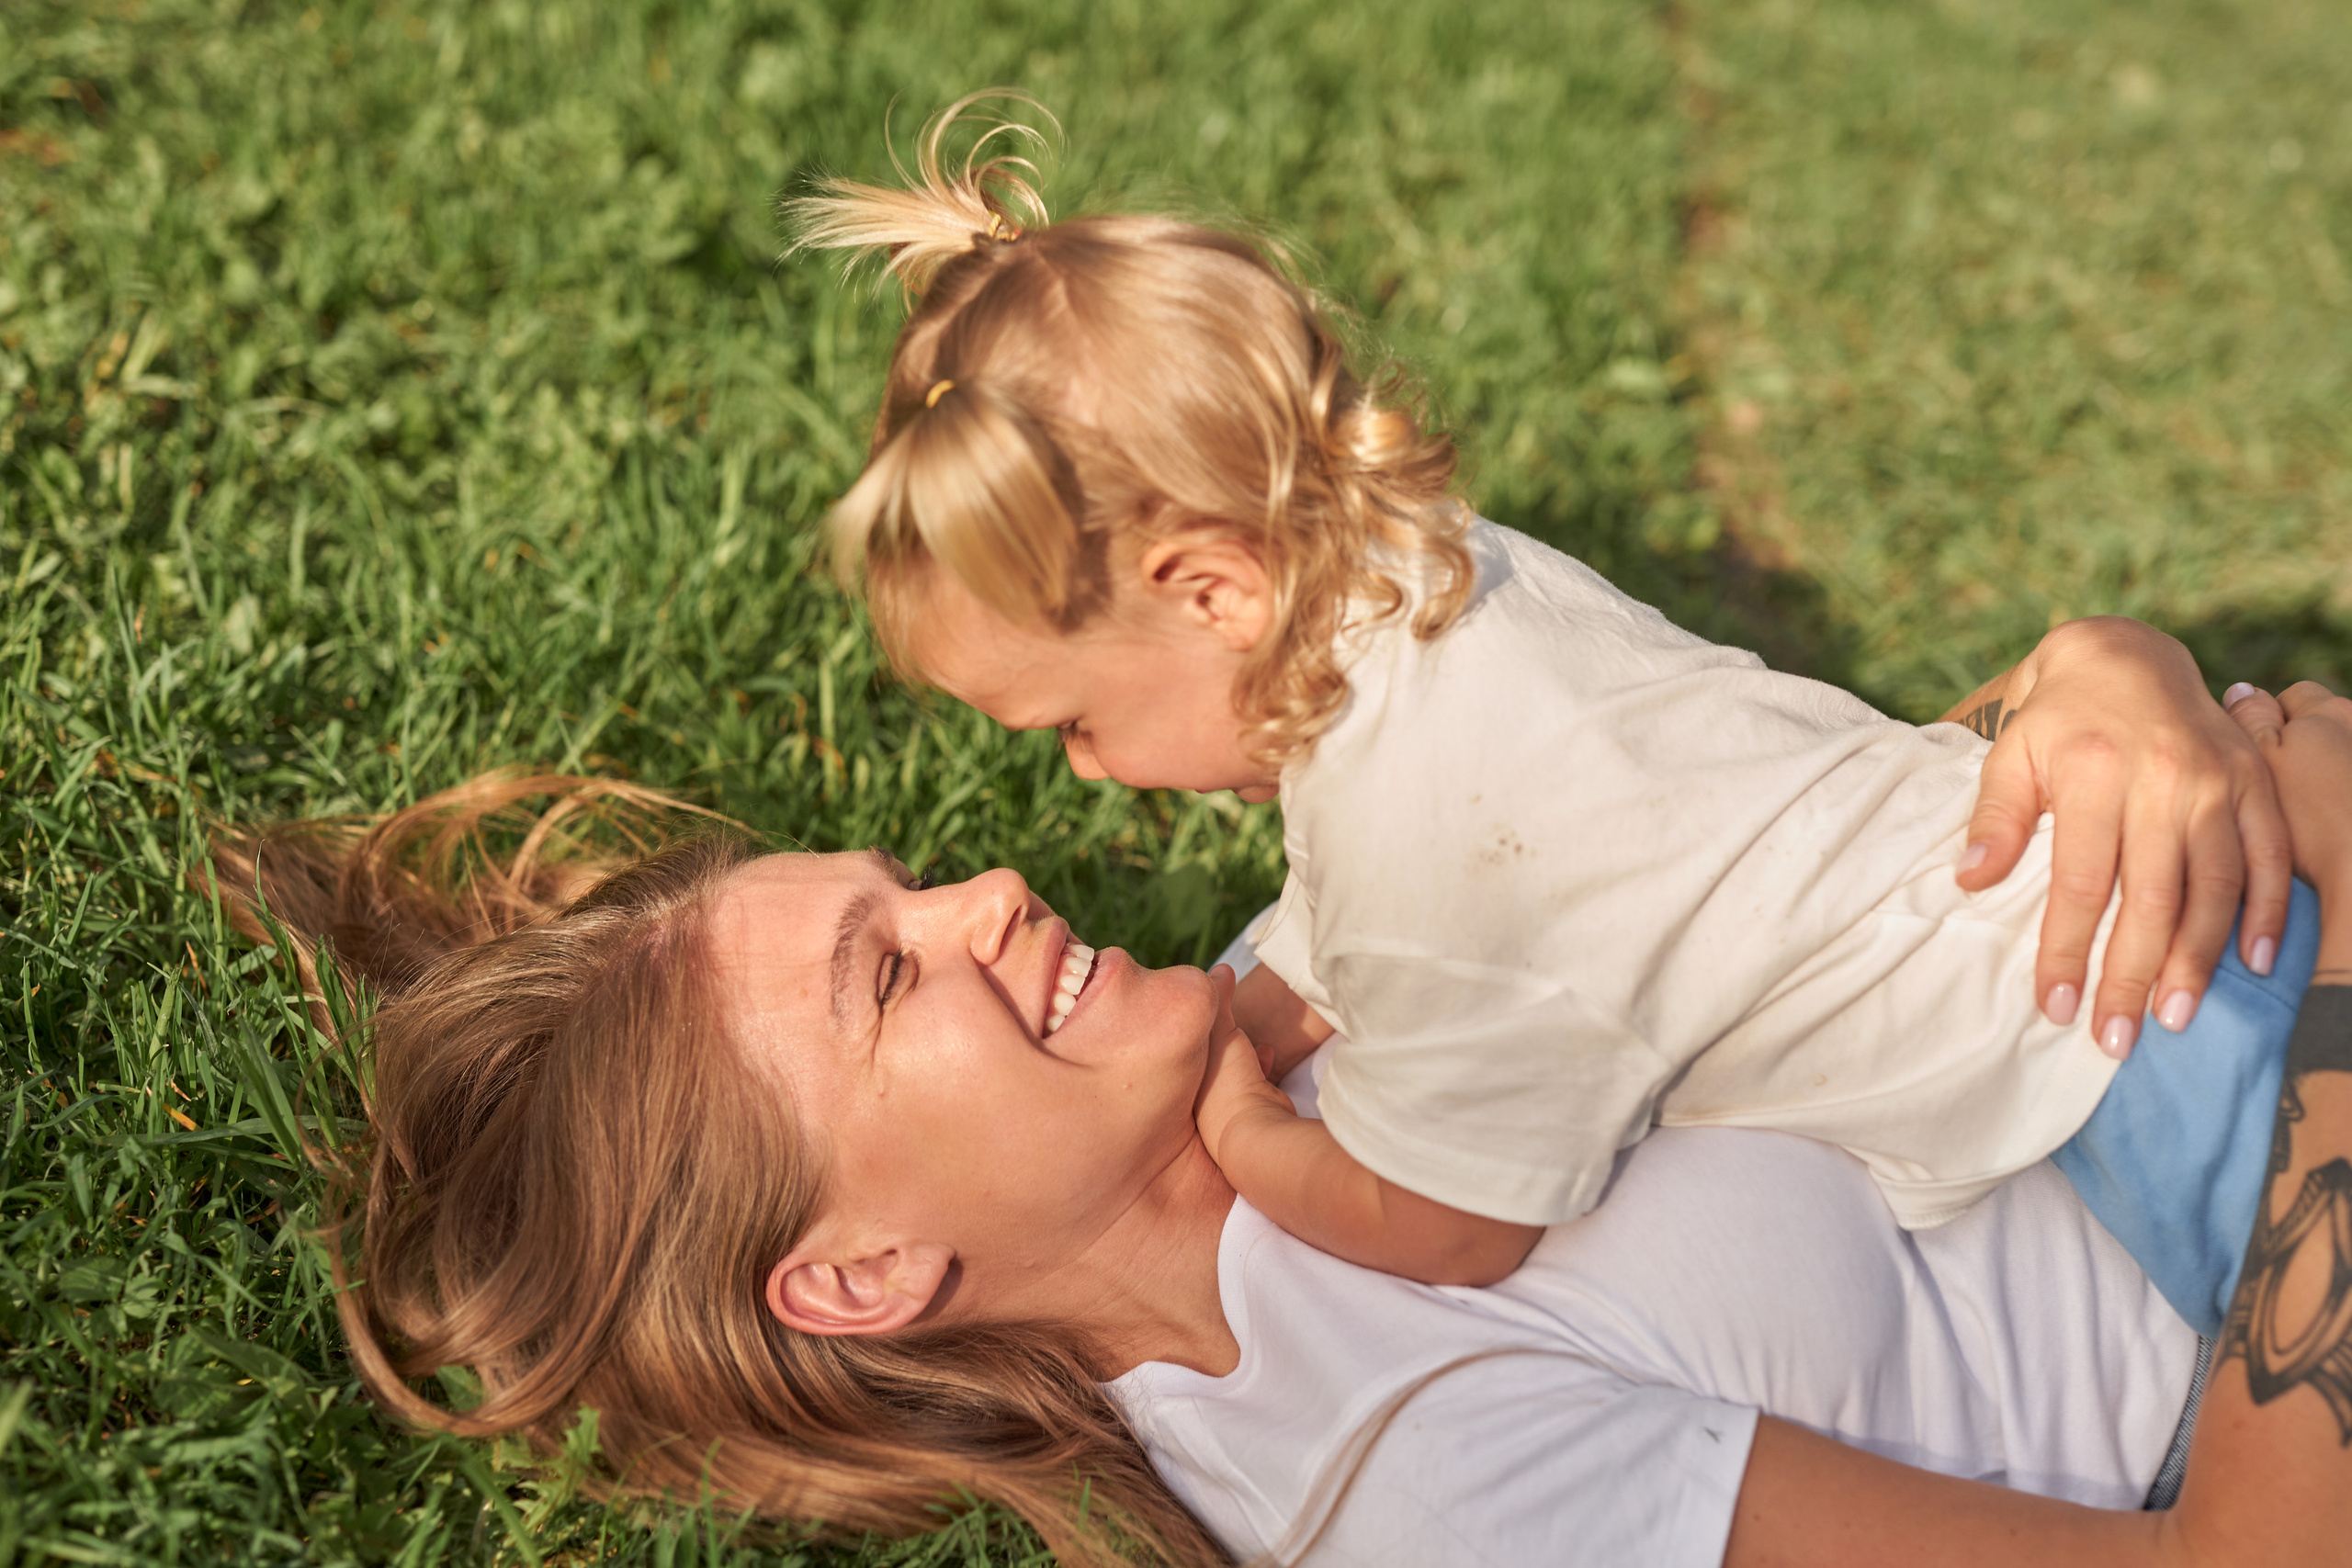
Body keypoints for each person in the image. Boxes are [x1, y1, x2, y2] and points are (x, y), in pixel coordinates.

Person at [204, 684, 2352, 1568]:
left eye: (898, 889)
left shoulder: (1315, 982)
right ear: (859, 1274)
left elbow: (1809, 859)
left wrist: (2107, 687)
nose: (982, 902)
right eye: (885, 977)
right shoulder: (1414, 1473)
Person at [796, 98, 2301, 1334]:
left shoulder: (1433, 857)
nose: (1090, 772)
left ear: (1213, 596)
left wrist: (1250, 1135)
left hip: (2131, 1040)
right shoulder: (1427, 571)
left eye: (1072, 722)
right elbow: (1352, 895)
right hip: (2142, 888)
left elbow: (1452, 1230)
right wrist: (1254, 1011)